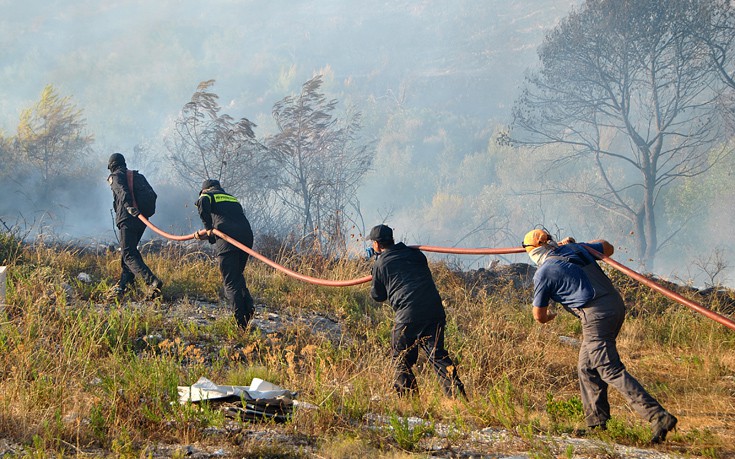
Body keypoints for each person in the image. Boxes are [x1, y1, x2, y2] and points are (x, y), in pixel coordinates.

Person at [522, 228, 677, 443]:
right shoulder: (574, 249)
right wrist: (579, 244)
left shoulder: (544, 272)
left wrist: (550, 316)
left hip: (596, 314)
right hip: (615, 305)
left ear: (533, 251)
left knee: (608, 368)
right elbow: (608, 247)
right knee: (586, 366)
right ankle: (597, 423)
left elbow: (538, 316)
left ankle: (657, 415)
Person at [368, 224, 466, 399]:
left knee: (400, 359)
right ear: (392, 239)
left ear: (376, 244)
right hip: (434, 311)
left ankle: (409, 401)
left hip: (408, 315)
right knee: (437, 356)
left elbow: (378, 295)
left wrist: (376, 266)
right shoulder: (416, 255)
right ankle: (459, 399)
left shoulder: (381, 263)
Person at [195, 179, 255, 331]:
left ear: (205, 190)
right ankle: (248, 308)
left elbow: (202, 203)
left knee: (230, 282)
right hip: (245, 238)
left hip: (228, 240)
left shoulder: (208, 195)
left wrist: (208, 227)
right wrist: (209, 235)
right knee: (237, 275)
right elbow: (227, 220)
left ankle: (241, 324)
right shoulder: (231, 198)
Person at [107, 153, 163, 299]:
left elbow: (122, 191)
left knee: (128, 253)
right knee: (129, 251)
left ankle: (152, 282)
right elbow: (153, 195)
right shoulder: (138, 176)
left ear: (112, 165)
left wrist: (128, 207)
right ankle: (125, 286)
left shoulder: (115, 176)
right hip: (141, 219)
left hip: (128, 217)